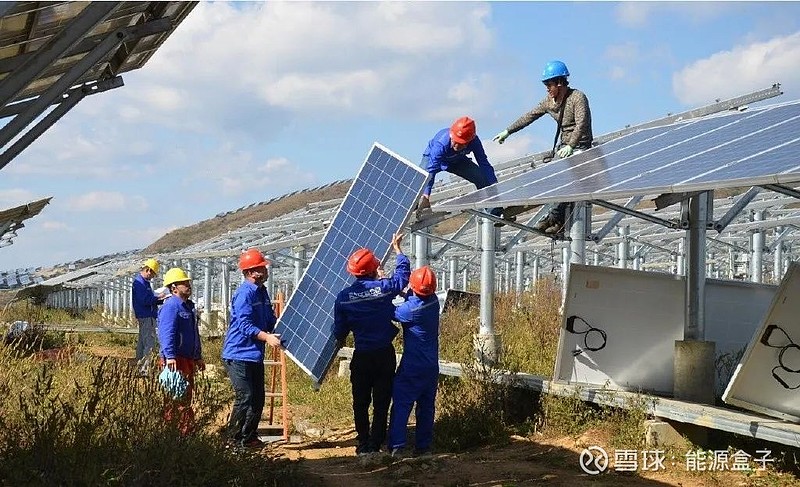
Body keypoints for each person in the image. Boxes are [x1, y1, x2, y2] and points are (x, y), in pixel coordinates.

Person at [493, 60, 594, 234]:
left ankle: (555, 218)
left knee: (564, 178)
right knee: (554, 178)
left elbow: (582, 123)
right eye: (545, 84)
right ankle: (555, 220)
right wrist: (508, 131)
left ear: (560, 83)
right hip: (564, 148)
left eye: (549, 84)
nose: (547, 88)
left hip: (581, 146)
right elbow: (529, 116)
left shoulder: (578, 98)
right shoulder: (549, 101)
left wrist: (571, 145)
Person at [333, 233, 410, 455]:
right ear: (374, 268)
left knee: (360, 402)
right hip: (384, 355)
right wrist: (398, 250)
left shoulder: (344, 297)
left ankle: (363, 442)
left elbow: (339, 330)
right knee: (382, 401)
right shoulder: (384, 288)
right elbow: (402, 277)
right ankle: (377, 442)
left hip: (362, 355)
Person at [222, 248, 282, 449]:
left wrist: (279, 327)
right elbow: (244, 325)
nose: (266, 271)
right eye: (261, 268)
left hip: (254, 354)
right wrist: (266, 337)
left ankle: (249, 437)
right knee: (245, 396)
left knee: (257, 398)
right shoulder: (244, 294)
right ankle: (232, 439)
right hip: (238, 353)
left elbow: (268, 320)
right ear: (250, 272)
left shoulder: (262, 292)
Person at [387, 265, 440, 458]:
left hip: (412, 366)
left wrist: (386, 287)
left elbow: (391, 311)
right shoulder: (433, 302)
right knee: (426, 407)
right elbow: (414, 295)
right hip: (431, 366)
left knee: (401, 404)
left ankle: (397, 446)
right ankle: (423, 448)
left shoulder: (410, 310)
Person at [418, 116, 503, 219]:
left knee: (482, 178)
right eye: (455, 141)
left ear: (469, 141)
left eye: (461, 143)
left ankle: (495, 211)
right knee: (420, 181)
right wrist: (426, 195)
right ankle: (414, 208)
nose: (457, 146)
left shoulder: (475, 142)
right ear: (451, 134)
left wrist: (493, 184)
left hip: (458, 160)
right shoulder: (441, 143)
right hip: (434, 159)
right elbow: (431, 170)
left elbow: (483, 163)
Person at [157, 267, 204, 436]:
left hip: (187, 358)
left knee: (186, 396)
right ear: (174, 286)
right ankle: (177, 432)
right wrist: (169, 356)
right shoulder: (171, 306)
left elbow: (194, 334)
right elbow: (166, 332)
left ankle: (184, 430)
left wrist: (198, 356)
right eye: (184, 283)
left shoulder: (187, 307)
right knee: (176, 397)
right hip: (175, 360)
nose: (188, 285)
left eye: (188, 282)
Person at [132, 258, 166, 373]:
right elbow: (145, 300)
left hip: (144, 315)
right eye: (152, 274)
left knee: (142, 342)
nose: (152, 277)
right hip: (146, 316)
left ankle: (139, 366)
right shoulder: (140, 283)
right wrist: (159, 297)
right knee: (149, 343)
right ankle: (145, 370)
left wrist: (159, 300)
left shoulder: (143, 283)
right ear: (148, 270)